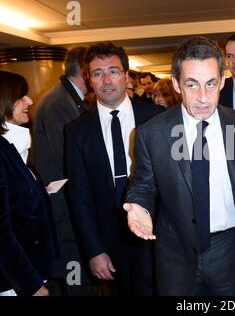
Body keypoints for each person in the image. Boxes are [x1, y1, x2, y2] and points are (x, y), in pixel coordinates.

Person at [124, 36, 235, 295]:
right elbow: (143, 184)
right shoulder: (151, 134)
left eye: (211, 84)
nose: (203, 97)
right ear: (176, 84)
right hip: (174, 255)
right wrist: (138, 206)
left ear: (222, 81)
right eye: (192, 85)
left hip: (230, 251)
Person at [64, 42, 164, 295]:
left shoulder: (157, 117)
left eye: (113, 71)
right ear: (89, 79)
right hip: (110, 238)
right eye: (97, 73)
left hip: (159, 233)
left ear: (126, 75)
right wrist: (94, 250)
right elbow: (79, 197)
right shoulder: (76, 131)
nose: (106, 80)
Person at [32, 46, 93, 295]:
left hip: (63, 198)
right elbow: (68, 155)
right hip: (62, 202)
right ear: (84, 71)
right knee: (73, 264)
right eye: (96, 72)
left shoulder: (67, 98)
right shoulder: (59, 102)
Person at [0, 70, 58, 296]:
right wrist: (31, 285)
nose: (30, 101)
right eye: (21, 96)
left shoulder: (14, 149)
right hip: (14, 282)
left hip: (29, 271)